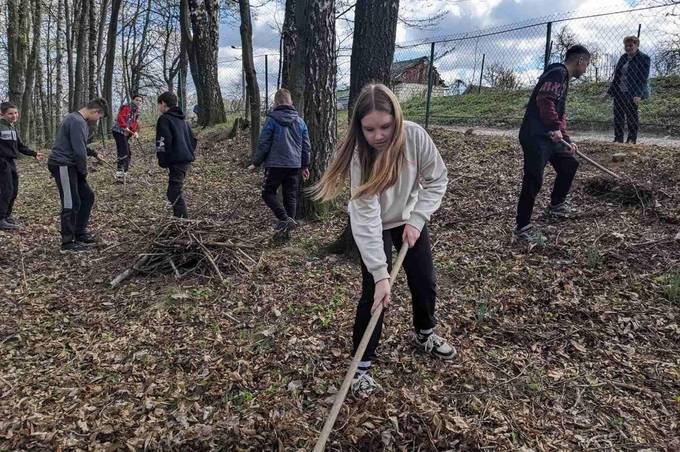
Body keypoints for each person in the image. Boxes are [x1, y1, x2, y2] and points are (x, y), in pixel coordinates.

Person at [312, 83, 454, 398]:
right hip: (376, 223)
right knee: (375, 297)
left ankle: (425, 333)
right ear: (359, 128)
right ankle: (360, 369)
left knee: (425, 281)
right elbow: (365, 216)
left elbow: (436, 179)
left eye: (386, 126)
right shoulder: (360, 157)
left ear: (397, 118)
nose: (379, 135)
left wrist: (417, 219)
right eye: (370, 129)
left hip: (408, 216)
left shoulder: (415, 137)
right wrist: (380, 273)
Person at [513, 45, 591, 244]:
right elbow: (545, 99)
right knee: (533, 179)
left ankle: (556, 205)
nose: (586, 69)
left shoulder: (563, 77)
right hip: (535, 136)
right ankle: (522, 227)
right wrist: (553, 126)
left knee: (569, 164)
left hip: (550, 136)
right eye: (587, 65)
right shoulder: (557, 72)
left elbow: (559, 112)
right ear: (580, 61)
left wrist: (567, 140)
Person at [48, 98, 108, 252]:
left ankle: (79, 233)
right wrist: (83, 171)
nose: (98, 120)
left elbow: (80, 144)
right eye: (99, 117)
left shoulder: (77, 119)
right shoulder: (77, 122)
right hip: (63, 165)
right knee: (71, 202)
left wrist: (94, 153)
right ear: (95, 111)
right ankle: (67, 243)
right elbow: (79, 151)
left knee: (87, 196)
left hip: (71, 165)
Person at [249, 88, 311, 235]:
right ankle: (288, 229)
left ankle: (284, 219)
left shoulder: (271, 120)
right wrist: (305, 165)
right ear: (291, 102)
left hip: (275, 165)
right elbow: (306, 145)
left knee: (267, 193)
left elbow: (264, 142)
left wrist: (256, 162)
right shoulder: (300, 122)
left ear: (276, 103)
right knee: (290, 196)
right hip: (294, 165)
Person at [0, 102, 45, 230]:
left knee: (14, 189)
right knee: (6, 189)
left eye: (15, 113)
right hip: (2, 162)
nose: (14, 116)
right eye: (10, 113)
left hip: (11, 162)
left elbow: (20, 146)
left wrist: (34, 154)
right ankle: (1, 218)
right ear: (2, 113)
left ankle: (7, 216)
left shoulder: (12, 128)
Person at [155, 91, 196, 218]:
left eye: (159, 104)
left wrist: (162, 160)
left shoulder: (165, 119)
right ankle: (180, 220)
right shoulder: (184, 120)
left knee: (173, 192)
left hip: (177, 160)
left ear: (163, 103)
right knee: (174, 191)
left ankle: (183, 221)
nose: (159, 108)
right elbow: (193, 140)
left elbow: (162, 141)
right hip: (184, 160)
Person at [604, 36, 651, 144]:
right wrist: (608, 93)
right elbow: (617, 77)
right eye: (626, 46)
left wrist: (638, 94)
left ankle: (631, 139)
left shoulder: (644, 58)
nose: (628, 48)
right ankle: (618, 138)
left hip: (633, 92)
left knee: (631, 116)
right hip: (619, 91)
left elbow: (643, 78)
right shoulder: (623, 57)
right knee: (618, 116)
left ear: (636, 45)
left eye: (631, 45)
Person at [112, 94, 142, 181]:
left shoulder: (137, 111)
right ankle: (120, 174)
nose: (138, 102)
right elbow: (120, 118)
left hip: (126, 132)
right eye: (137, 100)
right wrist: (125, 127)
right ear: (132, 100)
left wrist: (135, 132)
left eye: (140, 101)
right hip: (118, 131)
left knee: (128, 152)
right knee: (123, 151)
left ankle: (124, 172)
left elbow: (134, 123)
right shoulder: (126, 107)